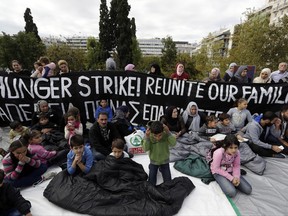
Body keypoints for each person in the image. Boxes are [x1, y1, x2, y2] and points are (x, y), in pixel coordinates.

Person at [142, 121, 176, 186]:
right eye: (155, 136)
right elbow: (145, 149)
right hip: (154, 162)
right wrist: (147, 137)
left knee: (168, 182)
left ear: (163, 131)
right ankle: (152, 167)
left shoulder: (166, 134)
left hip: (164, 162)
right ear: (152, 133)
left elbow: (173, 143)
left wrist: (168, 132)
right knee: (151, 184)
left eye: (160, 135)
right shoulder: (148, 135)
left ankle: (160, 168)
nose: (158, 138)